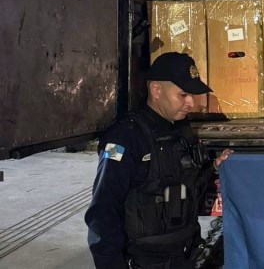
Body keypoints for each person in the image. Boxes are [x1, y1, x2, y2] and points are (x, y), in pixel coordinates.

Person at [85, 52, 233, 269]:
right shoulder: (124, 137)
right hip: (144, 261)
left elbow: (188, 190)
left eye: (192, 95)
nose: (191, 103)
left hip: (184, 257)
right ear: (156, 90)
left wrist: (212, 168)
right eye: (183, 95)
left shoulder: (181, 131)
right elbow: (103, 212)